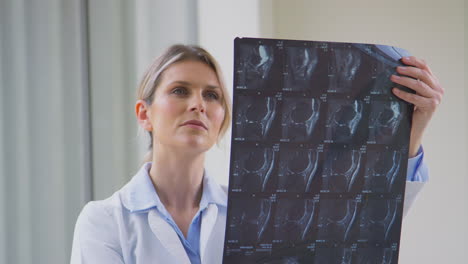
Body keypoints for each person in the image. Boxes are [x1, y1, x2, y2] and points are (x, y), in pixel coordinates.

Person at [70, 44, 444, 263]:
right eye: (180, 91)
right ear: (144, 114)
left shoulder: (257, 212)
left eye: (211, 95)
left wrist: (408, 133)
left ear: (223, 120)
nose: (198, 104)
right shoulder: (105, 222)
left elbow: (359, 231)